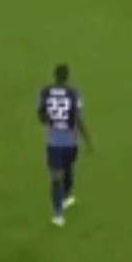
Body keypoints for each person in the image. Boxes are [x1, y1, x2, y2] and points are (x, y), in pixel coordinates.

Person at [37, 64, 91, 226]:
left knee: (56, 177)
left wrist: (51, 120)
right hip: (71, 142)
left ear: (55, 76)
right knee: (67, 169)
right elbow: (78, 119)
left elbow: (41, 116)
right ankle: (65, 198)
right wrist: (87, 140)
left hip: (54, 142)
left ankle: (58, 213)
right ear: (67, 77)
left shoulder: (45, 92)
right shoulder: (73, 93)